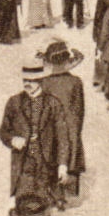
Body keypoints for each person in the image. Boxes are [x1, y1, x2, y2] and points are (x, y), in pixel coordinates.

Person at [0, 59, 71, 211]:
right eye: (25, 80)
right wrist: (13, 139)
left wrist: (63, 165)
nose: (27, 84)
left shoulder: (53, 103)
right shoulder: (14, 102)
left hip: (47, 162)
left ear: (41, 80)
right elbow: (3, 131)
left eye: (32, 81)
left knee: (45, 206)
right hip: (23, 161)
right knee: (25, 206)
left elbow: (63, 137)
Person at [38, 40, 86, 203]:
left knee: (52, 154)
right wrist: (76, 127)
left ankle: (54, 193)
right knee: (71, 153)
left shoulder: (44, 82)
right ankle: (69, 192)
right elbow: (80, 109)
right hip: (71, 124)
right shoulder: (75, 81)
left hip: (51, 125)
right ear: (66, 60)